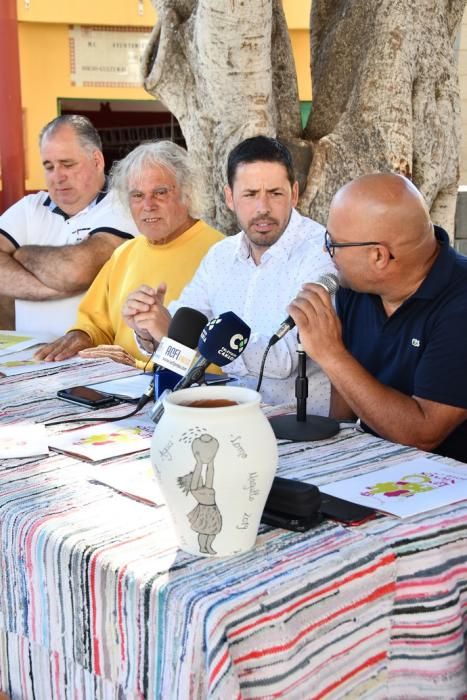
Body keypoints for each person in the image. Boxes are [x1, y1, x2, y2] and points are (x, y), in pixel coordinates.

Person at [123, 135, 334, 411]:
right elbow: (185, 322)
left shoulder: (319, 253)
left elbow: (286, 358)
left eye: (275, 193)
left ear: (293, 194)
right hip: (231, 414)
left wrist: (176, 336)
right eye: (249, 194)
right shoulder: (220, 256)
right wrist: (149, 328)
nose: (262, 208)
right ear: (230, 198)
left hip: (300, 425)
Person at [287, 172, 467, 463]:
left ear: (379, 256)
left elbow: (422, 434)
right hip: (377, 466)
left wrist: (330, 352)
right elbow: (347, 401)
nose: (326, 251)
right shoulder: (357, 287)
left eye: (333, 243)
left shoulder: (459, 305)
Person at [34, 141, 224, 366]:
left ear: (187, 193)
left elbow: (221, 365)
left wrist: (166, 335)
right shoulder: (124, 254)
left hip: (183, 393)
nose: (148, 205)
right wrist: (80, 336)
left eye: (160, 192)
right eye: (137, 195)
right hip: (117, 386)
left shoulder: (221, 255)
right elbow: (95, 325)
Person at [0, 115, 139, 338]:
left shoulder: (124, 205)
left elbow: (76, 271)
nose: (58, 176)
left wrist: (22, 254)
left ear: (96, 160)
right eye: (49, 166)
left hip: (96, 361)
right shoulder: (29, 207)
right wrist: (50, 290)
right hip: (28, 360)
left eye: (67, 164)